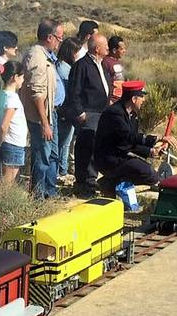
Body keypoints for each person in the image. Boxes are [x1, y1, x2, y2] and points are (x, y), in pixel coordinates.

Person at [93, 80, 172, 195]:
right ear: (134, 99)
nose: (143, 100)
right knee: (149, 173)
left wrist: (150, 151)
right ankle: (111, 183)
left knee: (151, 175)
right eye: (142, 97)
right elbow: (129, 137)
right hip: (108, 159)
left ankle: (109, 182)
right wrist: (157, 139)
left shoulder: (132, 115)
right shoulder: (114, 113)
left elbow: (129, 143)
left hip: (120, 155)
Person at [65, 32, 113, 195]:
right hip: (88, 113)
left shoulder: (102, 64)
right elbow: (74, 90)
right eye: (105, 45)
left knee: (95, 147)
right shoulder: (82, 65)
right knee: (86, 148)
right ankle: (83, 182)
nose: (108, 47)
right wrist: (80, 112)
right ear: (97, 48)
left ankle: (91, 180)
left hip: (101, 112)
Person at [23, 18, 63, 198]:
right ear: (49, 37)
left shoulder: (45, 55)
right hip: (42, 117)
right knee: (42, 157)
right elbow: (37, 94)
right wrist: (44, 123)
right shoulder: (37, 57)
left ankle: (49, 192)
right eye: (59, 37)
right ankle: (38, 197)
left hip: (50, 114)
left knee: (52, 155)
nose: (60, 41)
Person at [0, 61, 28, 184]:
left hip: (9, 144)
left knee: (2, 181)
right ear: (15, 77)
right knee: (6, 183)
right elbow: (4, 126)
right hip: (13, 144)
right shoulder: (12, 98)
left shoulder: (2, 95)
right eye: (22, 77)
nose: (23, 80)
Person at [54, 37, 79, 185]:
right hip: (64, 109)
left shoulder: (63, 66)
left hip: (65, 109)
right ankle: (60, 171)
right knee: (63, 141)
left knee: (65, 141)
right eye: (75, 52)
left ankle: (61, 170)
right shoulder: (63, 68)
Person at [103, 35, 127, 102]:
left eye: (124, 48)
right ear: (114, 50)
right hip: (112, 100)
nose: (124, 51)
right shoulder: (105, 62)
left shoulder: (119, 62)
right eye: (121, 49)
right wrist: (109, 100)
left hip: (120, 99)